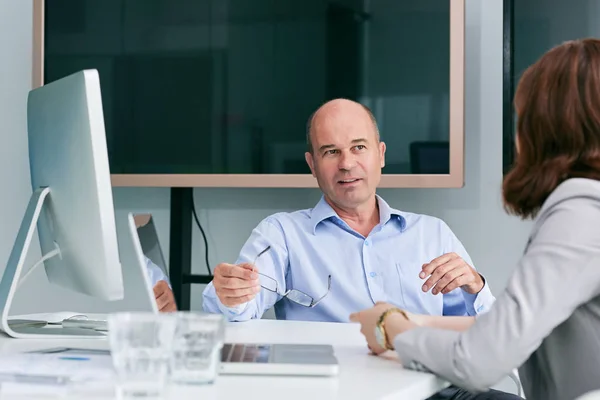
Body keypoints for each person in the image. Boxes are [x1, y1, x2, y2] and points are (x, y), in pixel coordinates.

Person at [202, 98, 520, 399]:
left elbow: (490, 336)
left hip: (436, 390)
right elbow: (235, 316)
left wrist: (475, 287)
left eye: (359, 147)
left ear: (380, 154)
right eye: (331, 152)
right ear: (312, 164)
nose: (347, 163)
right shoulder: (283, 234)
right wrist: (232, 294)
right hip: (335, 393)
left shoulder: (432, 233)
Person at [349, 38, 600, 400]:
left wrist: (393, 328)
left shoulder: (580, 211)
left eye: (522, 117)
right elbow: (512, 328)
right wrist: (413, 321)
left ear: (547, 126)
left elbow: (479, 360)